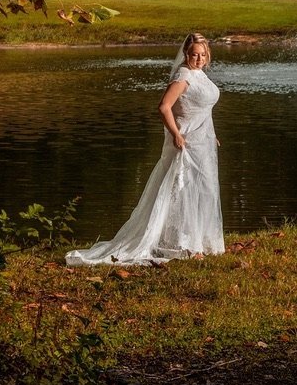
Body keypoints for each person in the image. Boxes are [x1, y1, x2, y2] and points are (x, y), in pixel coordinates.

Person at [66, 33, 224, 265]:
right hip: (187, 144)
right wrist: (176, 135)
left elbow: (200, 110)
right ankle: (185, 245)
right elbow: (164, 107)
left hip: (204, 142)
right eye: (194, 55)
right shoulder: (184, 75)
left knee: (203, 190)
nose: (199, 59)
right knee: (183, 191)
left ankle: (199, 240)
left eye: (202, 54)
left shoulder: (200, 75)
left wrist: (212, 135)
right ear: (186, 54)